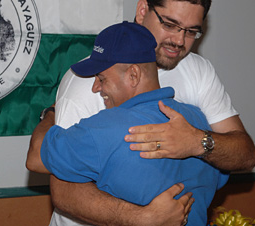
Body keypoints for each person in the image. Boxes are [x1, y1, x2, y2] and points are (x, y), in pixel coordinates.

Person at [32, 0, 255, 225]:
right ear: (142, 11)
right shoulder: (88, 81)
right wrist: (143, 217)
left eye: (191, 31)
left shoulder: (199, 71)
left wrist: (197, 141)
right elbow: (62, 191)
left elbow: (245, 154)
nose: (179, 40)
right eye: (170, 24)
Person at [27, 21, 229, 226]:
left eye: (102, 78)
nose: (96, 88)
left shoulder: (107, 129)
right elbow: (220, 178)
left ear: (133, 75)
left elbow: (35, 156)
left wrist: (50, 113)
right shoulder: (197, 121)